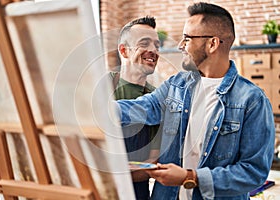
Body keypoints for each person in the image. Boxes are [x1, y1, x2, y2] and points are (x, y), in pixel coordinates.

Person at [116, 2, 275, 199]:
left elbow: (253, 172)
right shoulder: (177, 85)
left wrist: (190, 177)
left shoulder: (252, 101)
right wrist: (92, 110)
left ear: (212, 44)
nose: (180, 46)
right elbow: (143, 107)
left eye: (187, 39)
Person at [110, 16, 161, 200]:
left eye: (157, 45)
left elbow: (152, 163)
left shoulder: (159, 101)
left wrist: (110, 173)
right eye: (145, 43)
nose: (153, 51)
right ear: (124, 51)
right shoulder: (100, 87)